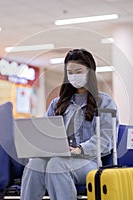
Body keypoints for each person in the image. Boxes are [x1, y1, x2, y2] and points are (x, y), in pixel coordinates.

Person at [20, 48, 119, 200]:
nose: (74, 76)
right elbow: (47, 136)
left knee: (56, 164)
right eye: (70, 73)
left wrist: (79, 149)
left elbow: (106, 141)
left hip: (88, 162)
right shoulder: (56, 104)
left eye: (78, 71)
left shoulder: (105, 103)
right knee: (36, 164)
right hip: (58, 158)